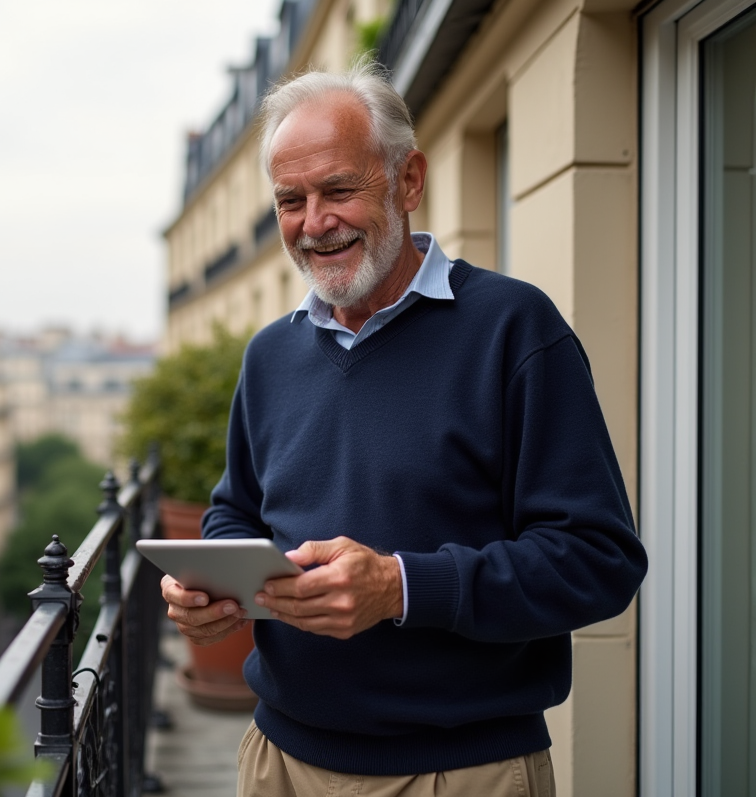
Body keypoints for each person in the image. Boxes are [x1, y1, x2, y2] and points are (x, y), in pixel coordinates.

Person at [160, 57, 648, 797]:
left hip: (464, 773)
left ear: (408, 181)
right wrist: (216, 587)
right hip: (278, 762)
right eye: (291, 200)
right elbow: (237, 510)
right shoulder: (270, 355)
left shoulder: (514, 328)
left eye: (339, 190)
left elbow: (598, 560)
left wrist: (400, 586)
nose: (314, 223)